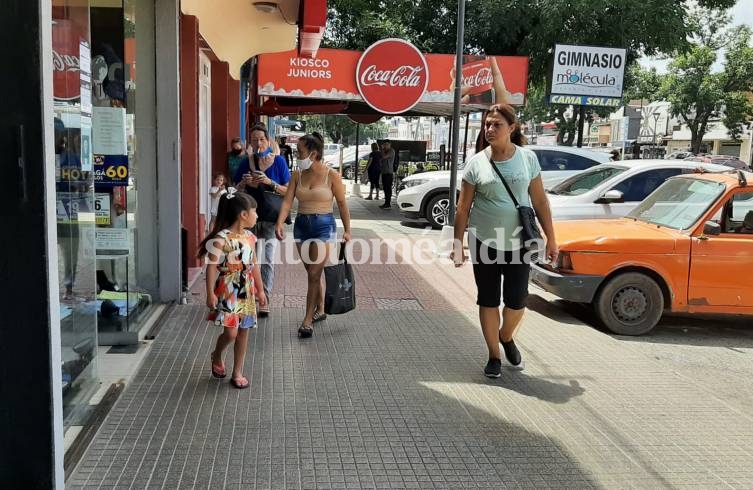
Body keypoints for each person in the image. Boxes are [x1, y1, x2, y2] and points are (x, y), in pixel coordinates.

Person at [452, 104, 558, 379]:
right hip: (483, 241)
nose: (489, 129)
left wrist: (551, 238)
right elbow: (463, 208)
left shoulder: (527, 159)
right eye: (487, 124)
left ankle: (506, 336)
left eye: (496, 124)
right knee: (488, 300)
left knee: (517, 300)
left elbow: (540, 201)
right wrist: (456, 245)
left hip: (519, 243)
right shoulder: (476, 163)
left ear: (512, 128)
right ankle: (494, 355)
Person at [275, 132, 352, 338]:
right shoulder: (297, 175)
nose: (297, 156)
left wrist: (348, 230)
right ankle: (320, 308)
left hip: (324, 226)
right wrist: (280, 223)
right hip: (302, 225)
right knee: (311, 271)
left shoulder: (331, 175)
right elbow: (288, 201)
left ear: (314, 153)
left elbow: (343, 204)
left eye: (300, 152)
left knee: (314, 274)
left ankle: (307, 320)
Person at [198, 190, 267, 389]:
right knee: (231, 333)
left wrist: (261, 291)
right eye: (255, 211)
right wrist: (210, 292)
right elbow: (211, 267)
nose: (257, 215)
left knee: (243, 332)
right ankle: (217, 354)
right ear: (243, 215)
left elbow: (254, 265)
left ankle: (237, 372)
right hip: (228, 289)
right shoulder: (221, 238)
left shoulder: (251, 238)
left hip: (247, 289)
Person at [234, 124, 291, 318]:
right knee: (246, 259)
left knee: (266, 260)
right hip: (247, 220)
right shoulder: (245, 161)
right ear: (250, 142)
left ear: (268, 141)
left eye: (261, 139)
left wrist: (269, 183)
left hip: (269, 219)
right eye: (254, 139)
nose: (258, 143)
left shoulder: (279, 162)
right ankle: (245, 297)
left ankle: (264, 299)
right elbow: (235, 190)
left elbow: (288, 191)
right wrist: (244, 183)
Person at [379, 140, 396, 209]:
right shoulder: (384, 151)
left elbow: (384, 157)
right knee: (385, 188)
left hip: (389, 172)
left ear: (390, 145)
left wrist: (382, 149)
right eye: (384, 144)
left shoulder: (391, 151)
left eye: (386, 144)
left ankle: (388, 203)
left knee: (388, 188)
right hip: (384, 171)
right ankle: (386, 203)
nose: (385, 146)